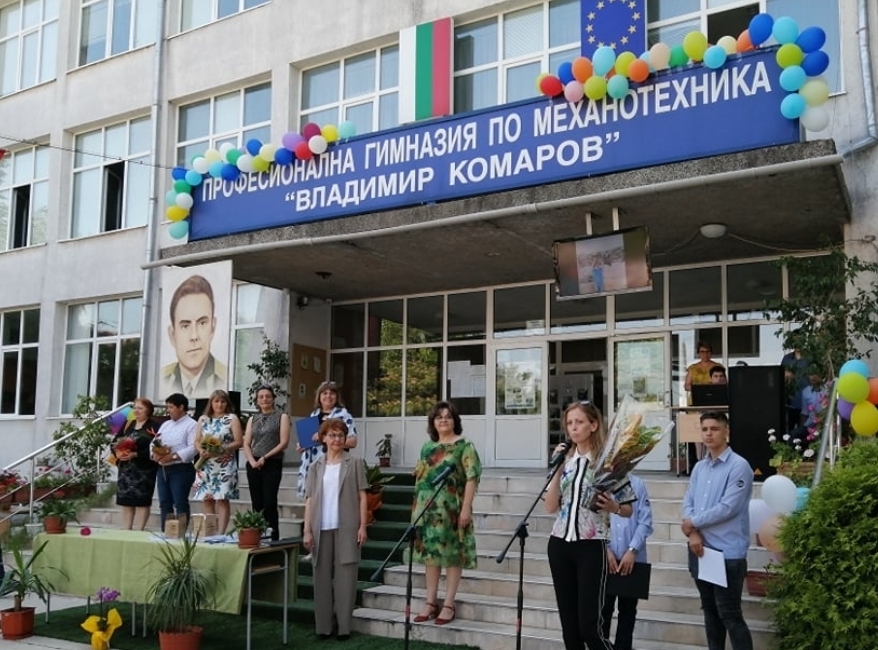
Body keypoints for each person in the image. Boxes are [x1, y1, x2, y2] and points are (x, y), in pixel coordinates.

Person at [545, 401, 635, 650]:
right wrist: (557, 469)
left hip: (591, 547)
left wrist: (614, 507)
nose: (573, 428)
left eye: (579, 422)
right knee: (570, 630)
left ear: (593, 425)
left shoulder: (609, 463)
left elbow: (628, 508)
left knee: (589, 627)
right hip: (559, 544)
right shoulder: (565, 461)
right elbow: (550, 507)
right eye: (569, 423)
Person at [682, 411, 754, 650]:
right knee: (710, 612)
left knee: (730, 615)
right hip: (700, 549)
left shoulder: (739, 466)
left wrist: (693, 522)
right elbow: (688, 501)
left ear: (726, 432)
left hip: (727, 553)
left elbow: (728, 508)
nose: (709, 434)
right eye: (704, 429)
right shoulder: (699, 468)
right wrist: (692, 532)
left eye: (714, 429)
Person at [412, 401, 482, 626]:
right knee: (430, 556)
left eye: (448, 416)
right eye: (439, 417)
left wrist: (466, 508)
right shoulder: (427, 447)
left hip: (452, 510)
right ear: (433, 422)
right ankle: (430, 602)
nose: (443, 420)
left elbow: (472, 477)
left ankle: (449, 603)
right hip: (428, 510)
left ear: (455, 421)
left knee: (453, 555)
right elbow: (421, 478)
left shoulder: (464, 445)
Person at [302, 418, 368, 640]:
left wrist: (362, 526)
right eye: (332, 435)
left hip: (346, 528)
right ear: (323, 438)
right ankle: (323, 627)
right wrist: (307, 530)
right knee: (321, 579)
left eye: (340, 435)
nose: (337, 439)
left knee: (346, 579)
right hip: (320, 528)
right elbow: (310, 499)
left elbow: (362, 496)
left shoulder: (355, 463)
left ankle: (343, 628)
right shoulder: (315, 466)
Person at [601, 473, 654, 650]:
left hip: (631, 559)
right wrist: (604, 549)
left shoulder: (637, 484)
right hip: (605, 558)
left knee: (628, 611)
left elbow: (645, 522)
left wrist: (632, 550)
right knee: (603, 610)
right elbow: (592, 521)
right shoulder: (598, 483)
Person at [160, 274, 228, 399]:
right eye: (185, 326)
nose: (194, 336)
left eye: (202, 323)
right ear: (172, 335)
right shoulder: (164, 378)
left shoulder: (225, 377)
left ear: (213, 327)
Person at [242, 385, 291, 541]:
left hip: (272, 462)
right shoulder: (253, 419)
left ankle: (272, 537)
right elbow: (246, 443)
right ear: (257, 400)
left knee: (269, 502)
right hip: (254, 463)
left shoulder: (282, 417)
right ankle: (258, 536)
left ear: (273, 398)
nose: (264, 399)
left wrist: (265, 457)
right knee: (257, 503)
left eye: (268, 396)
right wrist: (252, 461)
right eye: (261, 397)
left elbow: (284, 443)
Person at [192, 389, 243, 535]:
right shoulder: (203, 419)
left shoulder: (232, 418)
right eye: (216, 401)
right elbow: (197, 440)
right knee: (208, 498)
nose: (219, 404)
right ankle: (210, 531)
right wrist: (200, 449)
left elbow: (238, 441)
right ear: (211, 403)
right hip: (207, 464)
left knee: (222, 498)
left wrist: (221, 448)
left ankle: (220, 533)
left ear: (227, 403)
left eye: (222, 401)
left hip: (224, 464)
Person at [297, 380, 357, 500]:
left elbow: (353, 442)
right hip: (313, 467)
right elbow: (310, 440)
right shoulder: (313, 415)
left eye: (332, 393)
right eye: (324, 393)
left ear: (337, 396)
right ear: (319, 396)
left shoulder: (343, 415)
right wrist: (302, 445)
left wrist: (325, 439)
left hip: (333, 465)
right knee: (313, 501)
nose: (328, 396)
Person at [112, 397, 160, 530]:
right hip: (126, 470)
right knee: (126, 501)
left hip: (144, 470)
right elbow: (114, 442)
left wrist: (136, 454)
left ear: (148, 411)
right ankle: (127, 529)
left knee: (142, 501)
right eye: (135, 408)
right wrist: (118, 453)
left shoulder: (154, 426)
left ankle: (140, 529)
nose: (136, 411)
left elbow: (157, 447)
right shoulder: (128, 424)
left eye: (140, 408)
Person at [152, 393, 198, 532]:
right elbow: (155, 441)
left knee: (180, 502)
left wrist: (173, 457)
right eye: (167, 407)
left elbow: (193, 447)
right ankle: (167, 531)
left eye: (171, 407)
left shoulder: (192, 425)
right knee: (164, 502)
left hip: (181, 469)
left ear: (181, 407)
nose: (168, 410)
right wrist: (155, 454)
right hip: (163, 469)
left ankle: (181, 531)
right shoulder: (166, 424)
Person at [781, 349, 810, 433]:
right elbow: (779, 374)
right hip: (790, 403)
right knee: (787, 432)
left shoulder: (809, 358)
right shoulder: (787, 358)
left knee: (803, 432)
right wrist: (785, 375)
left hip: (806, 404)